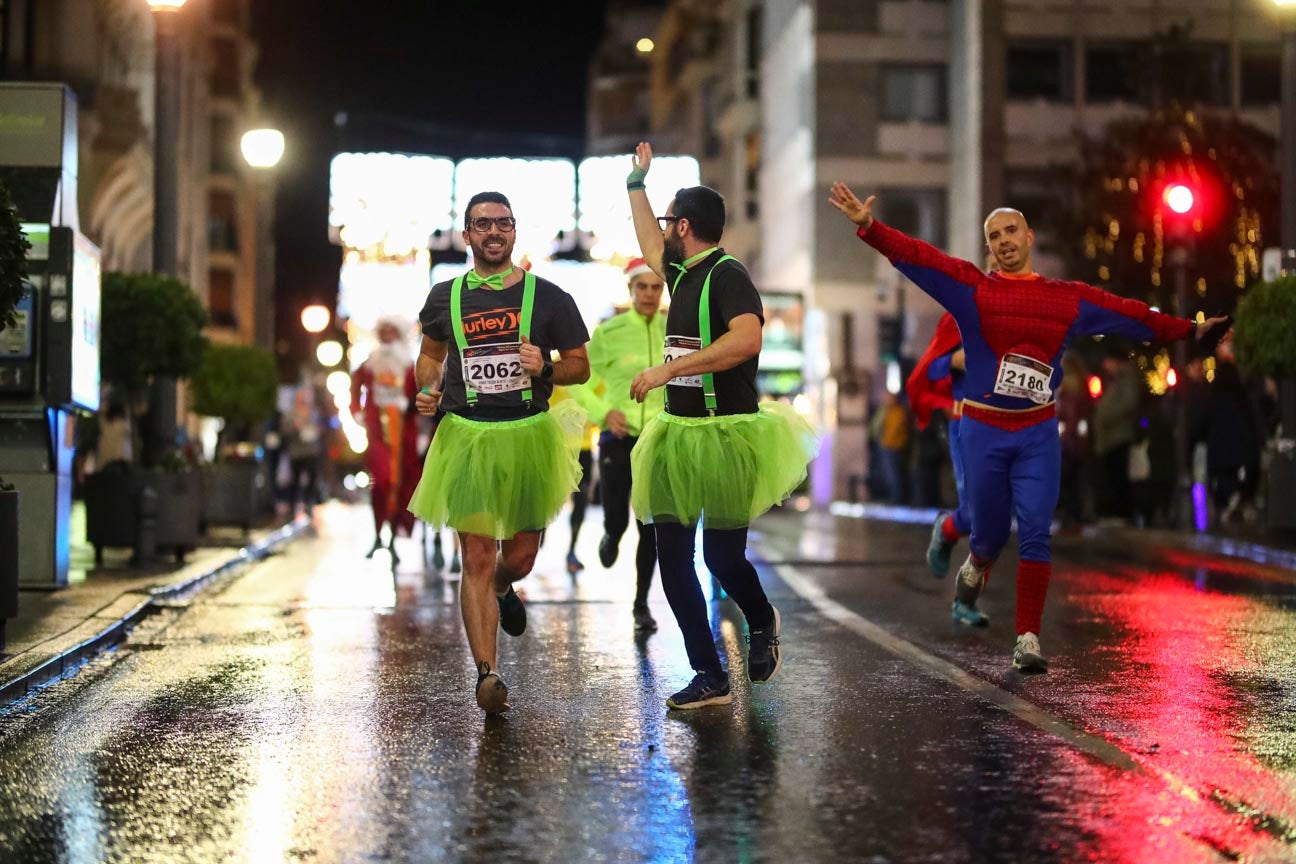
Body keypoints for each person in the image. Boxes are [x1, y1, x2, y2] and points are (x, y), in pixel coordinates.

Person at [829, 182, 1228, 673]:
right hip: (983, 431)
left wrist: (1188, 329)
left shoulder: (1066, 300)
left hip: (1038, 433)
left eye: (1011, 229)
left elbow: (1130, 315)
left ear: (1029, 236)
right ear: (989, 247)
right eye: (994, 235)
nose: (1004, 240)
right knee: (990, 534)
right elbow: (919, 258)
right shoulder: (972, 289)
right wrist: (870, 227)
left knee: (1037, 533)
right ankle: (974, 564)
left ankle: (1028, 639)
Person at [626, 142, 818, 709]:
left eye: (667, 223)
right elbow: (643, 240)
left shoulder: (729, 274)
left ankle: (762, 619)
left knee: (722, 560)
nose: (659, 234)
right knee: (672, 557)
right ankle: (708, 673)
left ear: (683, 225)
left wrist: (670, 368)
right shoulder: (678, 270)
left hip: (728, 433)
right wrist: (636, 184)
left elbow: (747, 340)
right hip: (676, 436)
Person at [408, 191, 590, 715]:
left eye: (502, 223)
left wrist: (548, 366)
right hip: (466, 435)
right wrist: (428, 386)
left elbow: (581, 365)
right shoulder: (444, 297)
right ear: (466, 235)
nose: (493, 231)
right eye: (482, 224)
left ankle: (507, 588)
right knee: (478, 556)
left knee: (520, 557)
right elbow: (430, 355)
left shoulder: (550, 297)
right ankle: (487, 674)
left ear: (514, 231)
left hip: (529, 435)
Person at [569, 257, 668, 634]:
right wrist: (603, 411)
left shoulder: (672, 330)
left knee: (651, 525)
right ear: (630, 290)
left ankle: (641, 603)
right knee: (618, 516)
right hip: (617, 438)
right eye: (641, 287)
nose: (648, 294)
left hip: (659, 437)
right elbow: (578, 377)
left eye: (655, 287)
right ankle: (610, 533)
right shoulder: (609, 332)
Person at [907, 313, 973, 584]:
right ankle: (947, 531)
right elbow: (931, 368)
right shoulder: (959, 315)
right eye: (993, 265)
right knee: (974, 515)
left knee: (1009, 517)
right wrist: (954, 360)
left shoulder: (1023, 312)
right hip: (966, 427)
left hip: (1015, 427)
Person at [351, 316, 423, 562]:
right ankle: (377, 534)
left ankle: (391, 539)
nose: (388, 336)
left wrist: (410, 405)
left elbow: (422, 391)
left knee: (400, 484)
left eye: (393, 331)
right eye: (384, 331)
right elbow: (355, 385)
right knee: (381, 482)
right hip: (378, 433)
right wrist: (356, 411)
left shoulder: (409, 365)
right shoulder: (370, 363)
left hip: (404, 434)